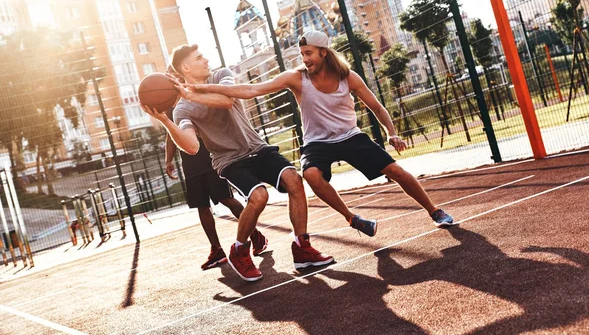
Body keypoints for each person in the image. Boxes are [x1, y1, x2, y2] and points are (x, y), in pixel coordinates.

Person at [185, 30, 454, 234]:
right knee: (310, 174)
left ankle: (434, 210)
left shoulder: (348, 78)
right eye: (302, 55)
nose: (305, 59)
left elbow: (376, 107)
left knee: (395, 171)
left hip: (350, 136)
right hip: (317, 143)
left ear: (324, 53)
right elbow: (251, 90)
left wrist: (391, 133)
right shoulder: (296, 78)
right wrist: (203, 89)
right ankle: (352, 218)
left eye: (309, 54)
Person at [142, 44, 333, 282]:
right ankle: (240, 250)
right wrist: (165, 122)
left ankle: (302, 248)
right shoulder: (183, 109)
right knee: (259, 196)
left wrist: (191, 92)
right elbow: (191, 146)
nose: (206, 60)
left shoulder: (221, 75)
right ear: (186, 67)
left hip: (257, 147)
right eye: (199, 58)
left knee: (294, 180)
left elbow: (227, 100)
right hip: (230, 159)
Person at [164, 107, 268, 271]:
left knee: (227, 199)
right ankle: (217, 250)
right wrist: (168, 160)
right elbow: (170, 134)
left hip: (211, 158)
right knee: (202, 206)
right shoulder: (169, 107)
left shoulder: (191, 99)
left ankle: (255, 235)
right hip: (191, 166)